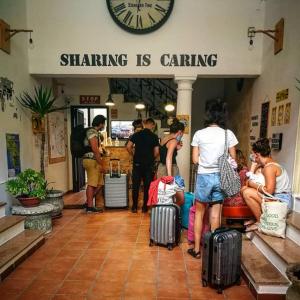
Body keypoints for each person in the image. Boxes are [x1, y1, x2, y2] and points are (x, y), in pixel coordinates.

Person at [188, 98, 238, 258]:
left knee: (199, 214)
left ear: (207, 115)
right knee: (216, 215)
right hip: (220, 177)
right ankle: (214, 253)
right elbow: (233, 158)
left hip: (204, 176)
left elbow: (195, 160)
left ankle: (196, 250)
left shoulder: (199, 134)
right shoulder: (227, 134)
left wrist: (205, 158)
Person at [241, 138, 292, 232]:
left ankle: (260, 222)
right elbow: (248, 181)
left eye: (253, 154)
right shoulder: (265, 165)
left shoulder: (270, 167)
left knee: (247, 192)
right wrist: (254, 166)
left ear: (257, 155)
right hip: (276, 198)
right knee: (244, 189)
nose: (252, 157)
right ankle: (258, 218)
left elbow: (269, 191)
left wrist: (253, 185)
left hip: (282, 201)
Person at [126, 118, 159, 213]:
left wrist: (133, 155)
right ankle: (145, 207)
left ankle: (134, 207)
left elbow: (128, 147)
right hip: (148, 165)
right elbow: (156, 152)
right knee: (147, 187)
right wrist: (151, 158)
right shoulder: (154, 136)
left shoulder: (136, 134)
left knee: (135, 186)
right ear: (152, 125)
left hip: (137, 164)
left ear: (144, 124)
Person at [156, 118, 185, 206]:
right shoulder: (174, 140)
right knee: (180, 197)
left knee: (163, 195)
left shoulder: (165, 138)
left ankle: (165, 215)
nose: (182, 135)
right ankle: (173, 215)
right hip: (170, 168)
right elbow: (169, 157)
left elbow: (162, 152)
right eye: (182, 133)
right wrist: (169, 175)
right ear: (180, 132)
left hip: (161, 167)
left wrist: (177, 148)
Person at [82, 115, 106, 213]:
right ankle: (90, 207)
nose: (104, 125)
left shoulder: (96, 133)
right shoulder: (92, 132)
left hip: (94, 160)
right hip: (91, 160)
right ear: (100, 123)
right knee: (92, 184)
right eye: (103, 123)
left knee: (100, 183)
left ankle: (88, 202)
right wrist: (101, 163)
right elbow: (95, 149)